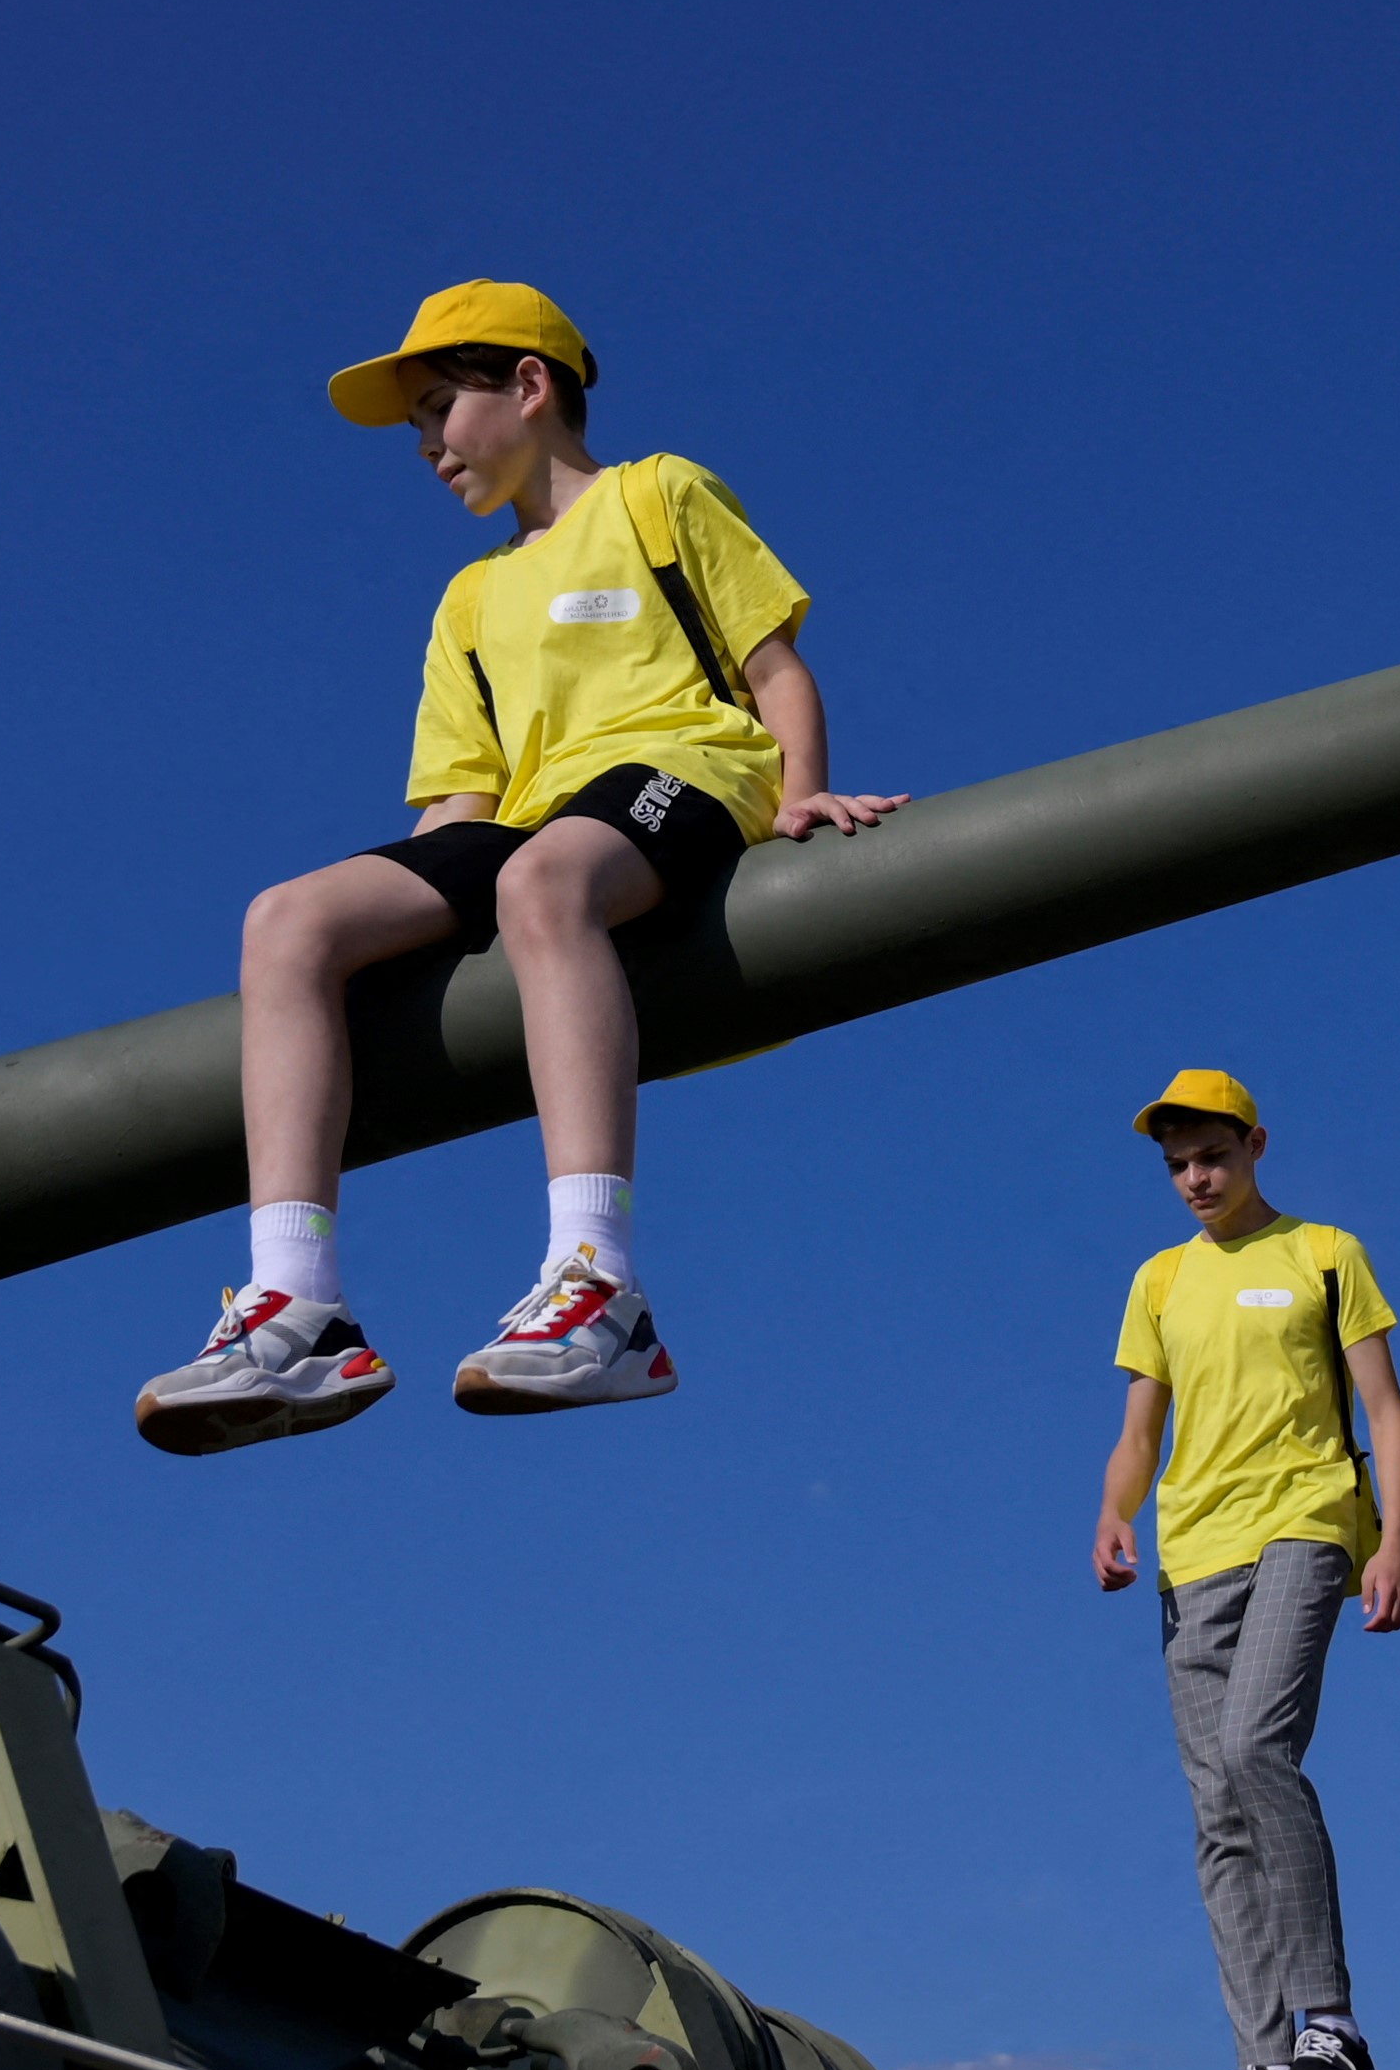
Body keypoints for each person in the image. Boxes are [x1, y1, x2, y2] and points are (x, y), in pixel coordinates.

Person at [135, 284, 904, 1444]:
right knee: (286, 920)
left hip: (682, 767)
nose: (430, 445)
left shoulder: (658, 495)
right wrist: (393, 919)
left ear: (531, 387)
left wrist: (801, 798)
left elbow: (775, 671)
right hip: (525, 826)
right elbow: (460, 803)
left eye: (442, 407)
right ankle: (300, 1310)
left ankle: (602, 1289)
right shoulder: (470, 597)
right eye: (417, 427)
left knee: (539, 878)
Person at [1092, 1070, 1400, 2070]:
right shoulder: (1157, 1281)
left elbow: (1385, 1407)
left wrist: (1397, 1540)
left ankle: (1334, 2024)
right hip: (1193, 1552)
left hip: (1305, 1523)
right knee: (1216, 1809)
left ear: (1256, 1146)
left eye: (1213, 1157)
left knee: (1253, 1750)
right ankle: (1264, 2056)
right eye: (1179, 1163)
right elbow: (1142, 1427)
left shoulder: (1326, 1255)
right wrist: (1113, 1513)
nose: (1196, 1177)